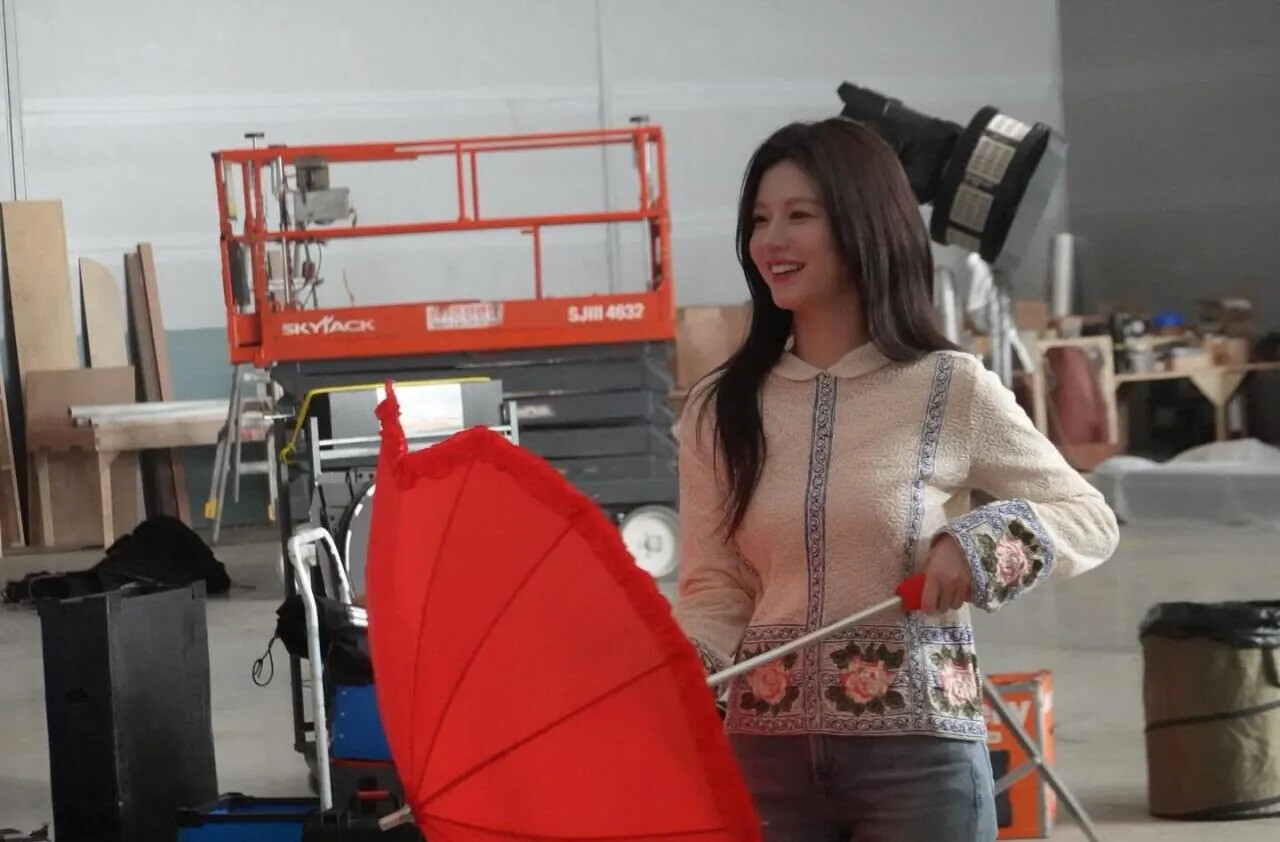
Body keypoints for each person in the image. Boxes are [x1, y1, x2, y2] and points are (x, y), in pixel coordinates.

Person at [672, 117, 1119, 842]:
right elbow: (716, 585)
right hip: (764, 765)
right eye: (758, 221)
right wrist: (687, 666)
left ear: (863, 224)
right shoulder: (718, 410)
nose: (771, 241)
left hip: (920, 762)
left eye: (799, 216)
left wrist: (980, 544)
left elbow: (1088, 516)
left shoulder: (949, 387)